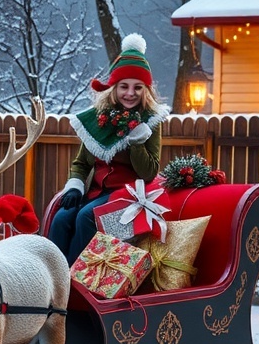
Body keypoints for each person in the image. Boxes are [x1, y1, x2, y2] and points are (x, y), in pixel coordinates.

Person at [48, 33, 169, 265]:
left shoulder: (151, 120)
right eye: (124, 86)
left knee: (86, 217)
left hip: (129, 193)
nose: (130, 93)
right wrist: (74, 186)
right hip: (96, 192)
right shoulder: (98, 118)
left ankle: (74, 277)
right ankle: (50, 273)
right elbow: (81, 163)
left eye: (138, 87)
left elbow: (149, 172)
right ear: (114, 87)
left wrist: (137, 143)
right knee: (61, 217)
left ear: (146, 90)